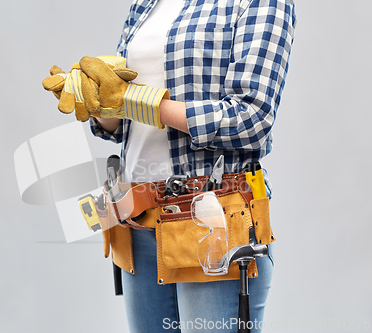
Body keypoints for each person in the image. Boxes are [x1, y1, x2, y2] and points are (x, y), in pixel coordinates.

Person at [45, 0, 296, 332]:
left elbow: (250, 119)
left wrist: (137, 100)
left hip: (211, 223)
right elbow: (125, 126)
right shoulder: (146, 4)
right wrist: (98, 103)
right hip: (137, 222)